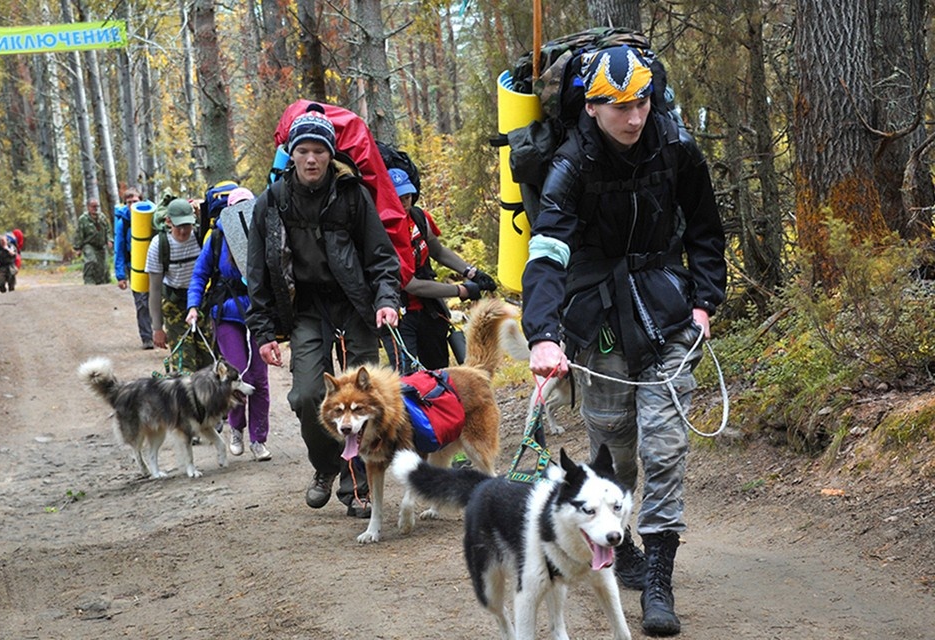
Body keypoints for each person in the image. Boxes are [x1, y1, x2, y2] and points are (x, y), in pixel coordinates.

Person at [521, 45, 726, 637]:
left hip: (667, 311)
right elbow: (548, 254)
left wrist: (705, 301)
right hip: (598, 316)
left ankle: (657, 582)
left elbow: (707, 229)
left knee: (665, 447)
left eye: (640, 102)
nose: (633, 118)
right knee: (617, 448)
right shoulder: (570, 164)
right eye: (618, 107)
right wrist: (543, 335)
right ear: (591, 107)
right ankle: (623, 540)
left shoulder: (676, 147)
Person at [247, 102, 400, 518]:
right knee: (307, 395)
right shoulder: (272, 202)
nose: (311, 158)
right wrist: (263, 332)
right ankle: (325, 467)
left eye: (319, 150)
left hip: (355, 304)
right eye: (303, 151)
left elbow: (382, 257)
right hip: (306, 308)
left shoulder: (352, 196)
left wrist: (387, 301)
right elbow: (258, 271)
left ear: (330, 154)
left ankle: (359, 487)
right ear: (291, 155)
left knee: (365, 400)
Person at [380, 168, 497, 374]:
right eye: (399, 198)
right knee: (407, 377)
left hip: (429, 310)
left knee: (439, 370)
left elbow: (438, 251)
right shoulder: (383, 230)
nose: (404, 202)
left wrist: (472, 272)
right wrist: (461, 290)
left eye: (407, 196)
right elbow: (411, 284)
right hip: (399, 313)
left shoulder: (418, 218)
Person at [186, 187, 272, 462]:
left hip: (259, 313)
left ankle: (259, 439)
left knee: (259, 379)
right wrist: (193, 307)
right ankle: (237, 428)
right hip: (226, 314)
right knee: (238, 375)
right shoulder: (218, 237)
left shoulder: (266, 233)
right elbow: (200, 274)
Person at [145, 198, 213, 372]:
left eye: (187, 225)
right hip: (175, 305)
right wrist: (157, 328)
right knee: (184, 364)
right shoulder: (159, 245)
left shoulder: (200, 237)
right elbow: (155, 289)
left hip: (202, 304)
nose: (183, 231)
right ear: (168, 222)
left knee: (209, 361)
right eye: (178, 226)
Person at [115, 188, 155, 350]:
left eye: (135, 201)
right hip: (135, 268)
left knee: (157, 301)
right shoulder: (123, 222)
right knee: (142, 302)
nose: (132, 205)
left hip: (154, 266)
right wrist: (120, 275)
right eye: (129, 202)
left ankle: (159, 332)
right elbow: (119, 248)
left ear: (142, 201)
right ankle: (147, 337)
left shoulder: (151, 217)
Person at [74, 198, 112, 285]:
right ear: (88, 207)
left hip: (101, 244)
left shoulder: (102, 217)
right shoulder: (83, 219)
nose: (95, 208)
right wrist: (78, 248)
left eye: (97, 206)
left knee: (104, 265)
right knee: (91, 260)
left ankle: (103, 282)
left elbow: (108, 230)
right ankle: (89, 281)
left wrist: (109, 240)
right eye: (93, 206)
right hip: (89, 244)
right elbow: (79, 234)